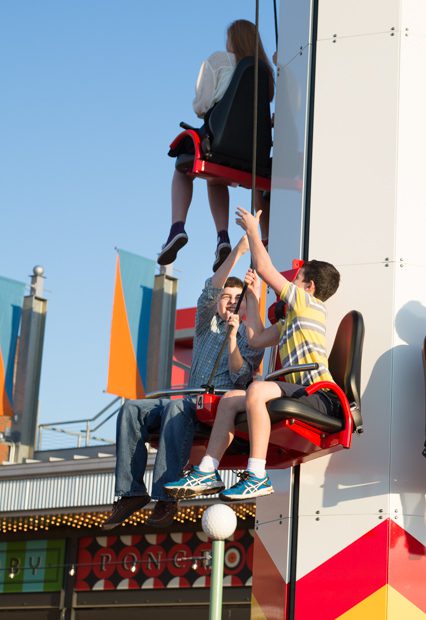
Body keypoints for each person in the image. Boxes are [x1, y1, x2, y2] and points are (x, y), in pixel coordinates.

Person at [164, 207, 341, 502]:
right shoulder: (291, 321)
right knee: (232, 399)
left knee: (256, 389)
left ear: (308, 286)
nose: (291, 284)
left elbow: (264, 267)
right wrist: (255, 296)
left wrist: (253, 232)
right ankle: (208, 470)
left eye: (296, 279)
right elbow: (257, 338)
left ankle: (256, 474)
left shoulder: (308, 303)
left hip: (319, 394)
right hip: (300, 390)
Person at [103, 236, 263, 529]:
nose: (228, 302)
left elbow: (242, 377)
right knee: (131, 409)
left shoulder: (248, 336)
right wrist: (238, 252)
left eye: (234, 299)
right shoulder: (205, 323)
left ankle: (166, 495)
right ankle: (130, 492)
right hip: (191, 398)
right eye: (224, 298)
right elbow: (211, 285)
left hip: (217, 408)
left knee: (177, 406)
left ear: (242, 306)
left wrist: (231, 338)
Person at [159, 19, 275, 271]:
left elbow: (201, 105)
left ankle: (181, 227)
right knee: (216, 178)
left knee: (181, 167)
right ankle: (238, 240)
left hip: (220, 145)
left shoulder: (219, 60)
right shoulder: (265, 72)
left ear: (232, 40)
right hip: (255, 153)